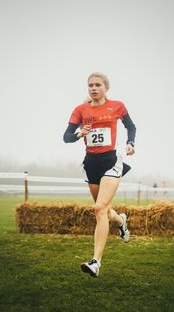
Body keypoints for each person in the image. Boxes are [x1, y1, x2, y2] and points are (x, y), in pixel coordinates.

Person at [63, 72, 136, 277]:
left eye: (97, 85)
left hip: (111, 161)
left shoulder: (117, 106)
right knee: (103, 211)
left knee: (99, 208)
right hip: (91, 163)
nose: (93, 88)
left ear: (106, 88)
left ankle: (96, 262)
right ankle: (121, 221)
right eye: (90, 85)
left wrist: (131, 143)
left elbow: (131, 126)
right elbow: (66, 137)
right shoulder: (81, 110)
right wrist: (80, 134)